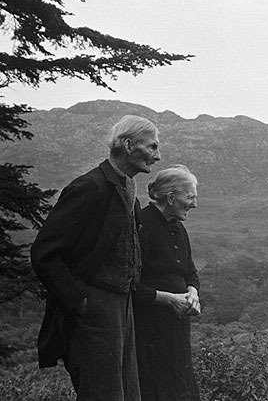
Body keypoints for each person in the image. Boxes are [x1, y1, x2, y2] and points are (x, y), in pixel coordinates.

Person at [31, 115, 161, 401]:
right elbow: (44, 253)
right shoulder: (90, 187)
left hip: (121, 305)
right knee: (102, 393)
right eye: (151, 147)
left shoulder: (128, 190)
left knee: (125, 392)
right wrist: (79, 299)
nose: (157, 155)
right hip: (95, 307)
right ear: (128, 145)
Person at [133, 165, 201, 401]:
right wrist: (169, 299)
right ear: (171, 198)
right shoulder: (140, 225)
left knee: (180, 385)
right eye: (190, 197)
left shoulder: (179, 228)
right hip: (149, 328)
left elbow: (190, 272)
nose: (194, 204)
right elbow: (129, 286)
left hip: (176, 326)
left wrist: (193, 294)